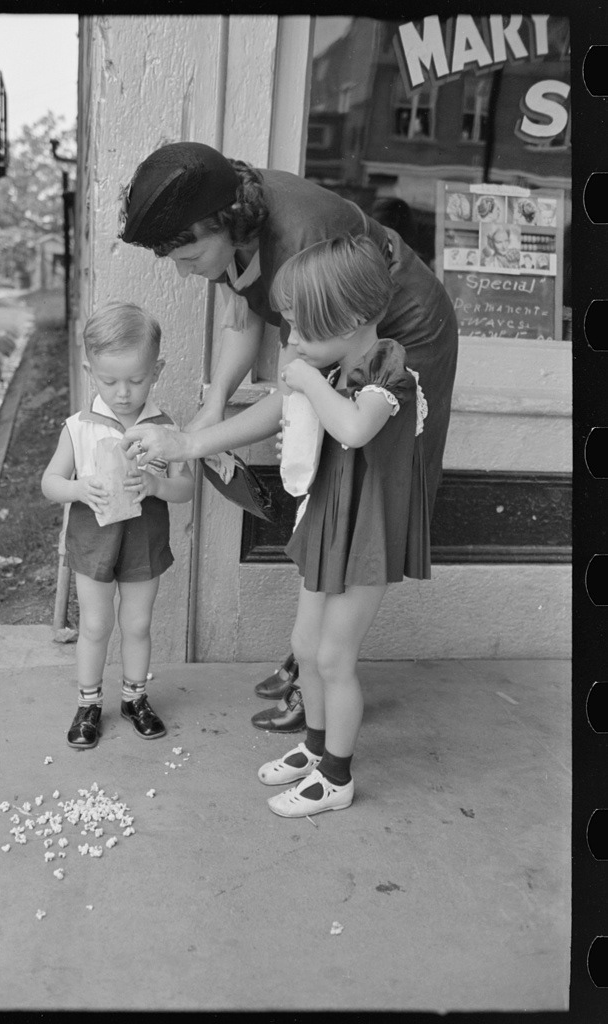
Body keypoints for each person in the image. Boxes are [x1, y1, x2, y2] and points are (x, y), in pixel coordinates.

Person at [116, 141, 457, 733]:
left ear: (222, 222)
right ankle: (309, 653)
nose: (180, 268)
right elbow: (244, 315)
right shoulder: (231, 217)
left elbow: (297, 387)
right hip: (338, 349)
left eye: (185, 251)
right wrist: (213, 405)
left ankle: (322, 665)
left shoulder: (305, 238)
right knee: (330, 489)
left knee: (366, 494)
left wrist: (192, 444)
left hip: (407, 334)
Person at [257, 234, 429, 816]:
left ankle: (337, 776)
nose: (294, 342)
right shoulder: (332, 373)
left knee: (335, 658)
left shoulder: (392, 371)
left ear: (354, 317)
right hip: (330, 524)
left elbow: (356, 430)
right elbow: (331, 438)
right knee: (306, 646)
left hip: (367, 538)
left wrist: (305, 383)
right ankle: (313, 748)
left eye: (303, 328)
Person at [41, 302, 194, 749]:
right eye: (109, 381)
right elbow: (50, 482)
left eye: (137, 379)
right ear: (91, 371)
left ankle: (135, 697)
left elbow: (185, 489)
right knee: (94, 624)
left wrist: (156, 483)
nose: (124, 393)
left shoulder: (164, 430)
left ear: (157, 369)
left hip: (143, 542)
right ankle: (88, 703)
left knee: (138, 623)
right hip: (92, 543)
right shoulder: (79, 427)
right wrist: (79, 489)